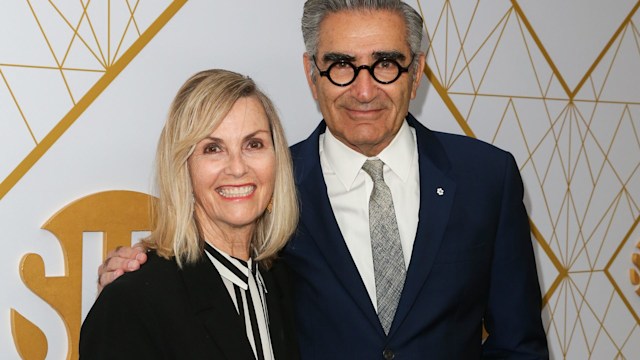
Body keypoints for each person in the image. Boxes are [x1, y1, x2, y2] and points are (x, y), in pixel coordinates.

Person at [98, 1, 549, 358]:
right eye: (340, 65)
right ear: (312, 75)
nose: (364, 89)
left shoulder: (486, 177)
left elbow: (519, 345)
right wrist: (130, 276)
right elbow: (198, 270)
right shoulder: (271, 187)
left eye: (386, 63)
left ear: (417, 74)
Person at [81, 69, 300, 359]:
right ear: (183, 167)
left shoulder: (282, 282)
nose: (237, 168)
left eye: (253, 144)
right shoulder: (132, 301)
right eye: (213, 148)